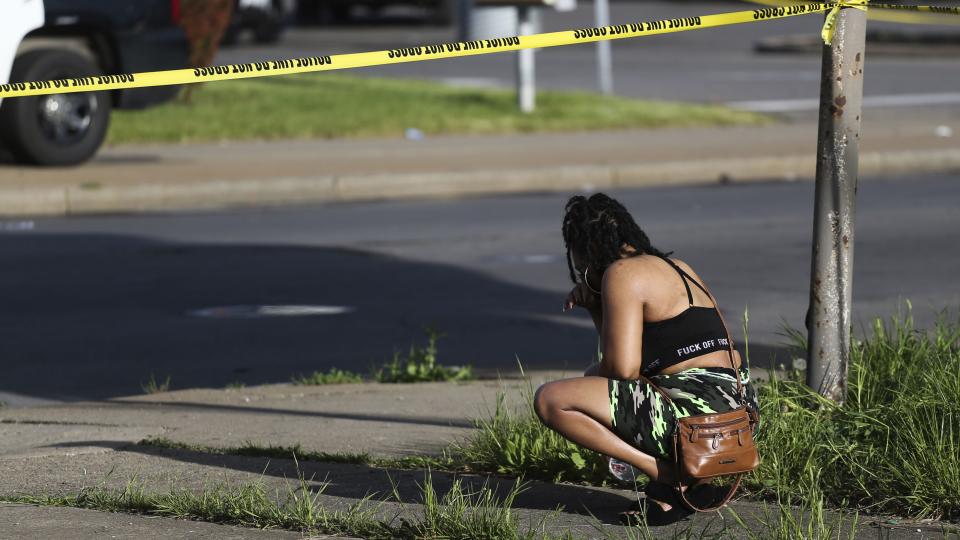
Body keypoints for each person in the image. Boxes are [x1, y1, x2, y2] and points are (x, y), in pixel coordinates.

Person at [533, 193, 760, 525]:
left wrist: (596, 297)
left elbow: (622, 370)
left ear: (587, 249)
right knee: (592, 377)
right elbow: (630, 366)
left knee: (552, 400)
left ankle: (666, 474)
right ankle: (697, 479)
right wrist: (598, 308)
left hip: (695, 419)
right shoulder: (678, 267)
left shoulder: (622, 274)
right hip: (738, 412)